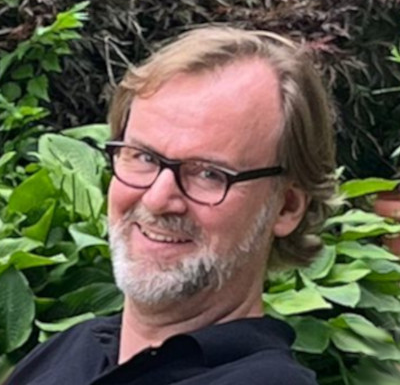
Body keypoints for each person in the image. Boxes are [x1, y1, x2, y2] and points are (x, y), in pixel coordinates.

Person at [5, 26, 337, 385]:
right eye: (143, 157)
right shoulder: (71, 350)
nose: (157, 198)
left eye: (209, 173)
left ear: (286, 207)